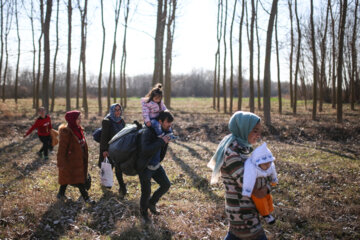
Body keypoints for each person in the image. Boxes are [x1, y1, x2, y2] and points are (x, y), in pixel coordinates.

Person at [207, 111, 269, 240]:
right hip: (242, 213)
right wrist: (265, 181)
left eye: (259, 131)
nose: (259, 135)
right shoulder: (232, 153)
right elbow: (249, 184)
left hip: (243, 210)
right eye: (255, 131)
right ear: (243, 129)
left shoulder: (243, 149)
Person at [136, 111, 173, 224]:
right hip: (145, 167)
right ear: (160, 121)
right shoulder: (149, 131)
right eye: (168, 123)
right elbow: (146, 149)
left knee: (166, 184)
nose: (170, 125)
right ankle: (143, 213)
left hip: (156, 165)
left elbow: (162, 149)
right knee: (146, 192)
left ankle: (151, 203)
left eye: (171, 123)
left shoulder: (164, 131)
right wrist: (162, 141)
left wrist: (165, 140)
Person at [56, 110, 94, 203]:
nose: (80, 120)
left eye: (80, 118)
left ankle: (60, 194)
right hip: (71, 161)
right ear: (72, 120)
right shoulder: (66, 132)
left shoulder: (79, 129)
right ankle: (86, 198)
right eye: (78, 119)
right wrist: (61, 163)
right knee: (79, 179)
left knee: (67, 179)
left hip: (80, 159)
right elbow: (61, 150)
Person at [242, 142, 278, 225]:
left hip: (264, 184)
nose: (267, 166)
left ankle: (270, 210)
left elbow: (273, 172)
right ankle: (266, 215)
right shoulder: (252, 167)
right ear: (257, 162)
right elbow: (249, 179)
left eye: (269, 163)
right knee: (260, 199)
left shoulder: (270, 165)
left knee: (268, 197)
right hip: (256, 187)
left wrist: (274, 180)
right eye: (265, 164)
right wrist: (247, 192)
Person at [98, 103, 127, 197]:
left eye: (119, 110)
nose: (118, 112)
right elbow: (104, 137)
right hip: (109, 149)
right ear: (112, 111)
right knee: (108, 167)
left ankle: (122, 187)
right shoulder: (107, 121)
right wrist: (104, 150)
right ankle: (106, 185)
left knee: (119, 168)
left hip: (119, 149)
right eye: (116, 110)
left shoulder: (121, 120)